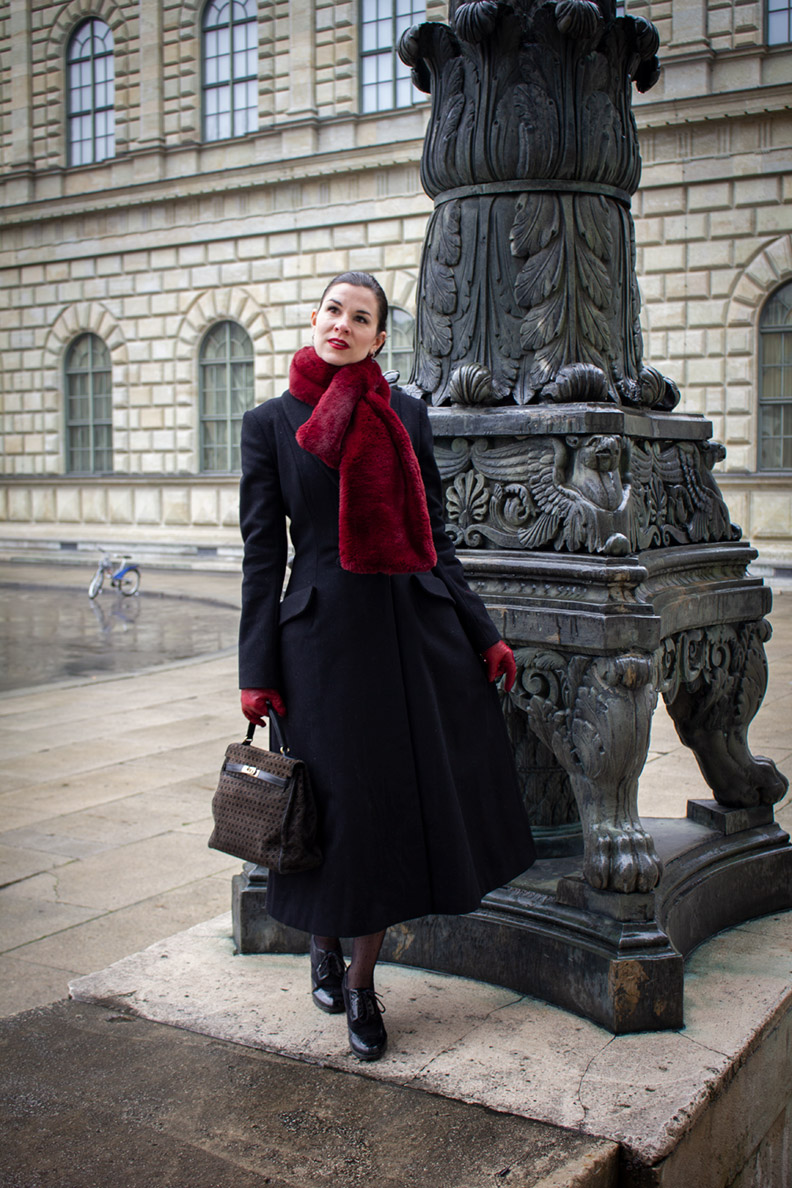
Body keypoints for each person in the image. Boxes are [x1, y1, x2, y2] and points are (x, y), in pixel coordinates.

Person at [238, 271, 535, 1062]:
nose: (341, 324)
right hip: (319, 649)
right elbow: (264, 558)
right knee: (332, 813)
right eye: (333, 310)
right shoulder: (269, 423)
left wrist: (482, 631)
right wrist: (255, 667)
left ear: (377, 338)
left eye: (359, 317)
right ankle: (321, 943)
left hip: (408, 638)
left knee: (383, 818)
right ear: (315, 319)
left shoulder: (402, 413)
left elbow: (433, 534)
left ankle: (363, 985)